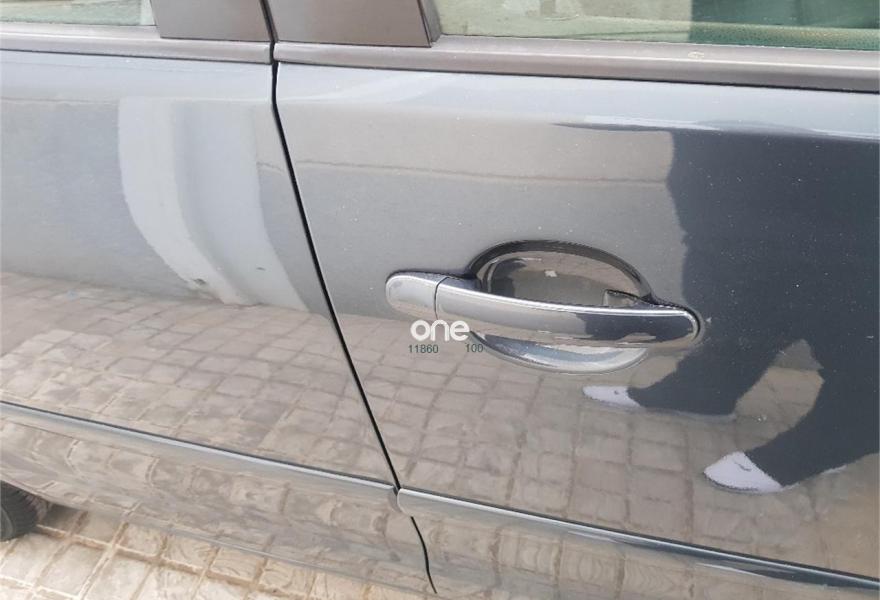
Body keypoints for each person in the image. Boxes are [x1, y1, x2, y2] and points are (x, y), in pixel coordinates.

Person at [587, 126, 878, 493]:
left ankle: (851, 424)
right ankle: (709, 387)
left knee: (828, 261)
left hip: (839, 127)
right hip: (735, 121)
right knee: (737, 258)